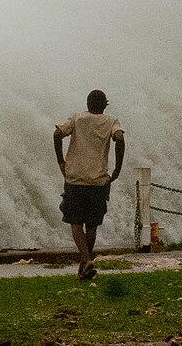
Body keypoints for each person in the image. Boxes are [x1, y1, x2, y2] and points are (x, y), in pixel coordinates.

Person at [54, 89, 125, 280]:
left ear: (87, 104)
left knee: (76, 222)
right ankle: (85, 263)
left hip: (75, 178)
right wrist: (117, 168)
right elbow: (119, 138)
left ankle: (85, 261)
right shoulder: (111, 121)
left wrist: (61, 161)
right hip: (98, 180)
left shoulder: (77, 119)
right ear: (104, 105)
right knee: (92, 225)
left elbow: (57, 134)